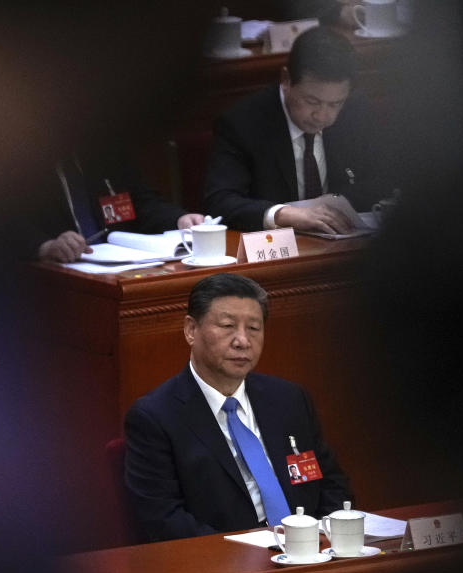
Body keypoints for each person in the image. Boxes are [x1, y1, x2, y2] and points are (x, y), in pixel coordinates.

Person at [123, 273, 351, 542]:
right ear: (191, 330)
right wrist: (243, 553)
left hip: (310, 553)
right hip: (224, 565)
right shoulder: (155, 417)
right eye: (228, 325)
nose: (242, 340)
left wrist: (322, 540)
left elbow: (332, 484)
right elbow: (162, 519)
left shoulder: (288, 399)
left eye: (253, 328)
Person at [202, 26, 388, 235]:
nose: (323, 116)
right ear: (286, 80)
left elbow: (384, 179)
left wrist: (338, 201)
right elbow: (220, 201)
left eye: (335, 104)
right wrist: (283, 215)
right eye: (312, 101)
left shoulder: (356, 110)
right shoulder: (243, 123)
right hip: (276, 250)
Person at [28, 150, 204, 263]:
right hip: (51, 276)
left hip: (120, 268)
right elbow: (6, 224)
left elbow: (142, 202)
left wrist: (179, 219)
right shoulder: (20, 165)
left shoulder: (104, 152)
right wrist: (45, 246)